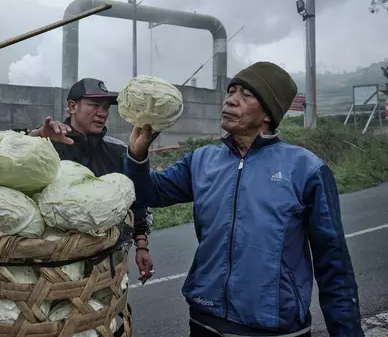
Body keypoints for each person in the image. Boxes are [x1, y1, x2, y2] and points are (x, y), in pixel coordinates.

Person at [124, 62, 363, 337]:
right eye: (231, 91)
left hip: (275, 328)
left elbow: (334, 266)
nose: (230, 100)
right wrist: (137, 157)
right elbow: (147, 193)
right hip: (205, 321)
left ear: (268, 113)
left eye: (246, 94)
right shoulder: (202, 160)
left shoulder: (306, 170)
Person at [22, 77, 155, 283]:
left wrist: (141, 244)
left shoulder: (118, 151)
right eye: (94, 105)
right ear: (72, 107)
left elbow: (137, 200)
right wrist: (37, 135)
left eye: (105, 108)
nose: (102, 113)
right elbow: (5, 156)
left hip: (105, 262)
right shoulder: (46, 144)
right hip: (52, 265)